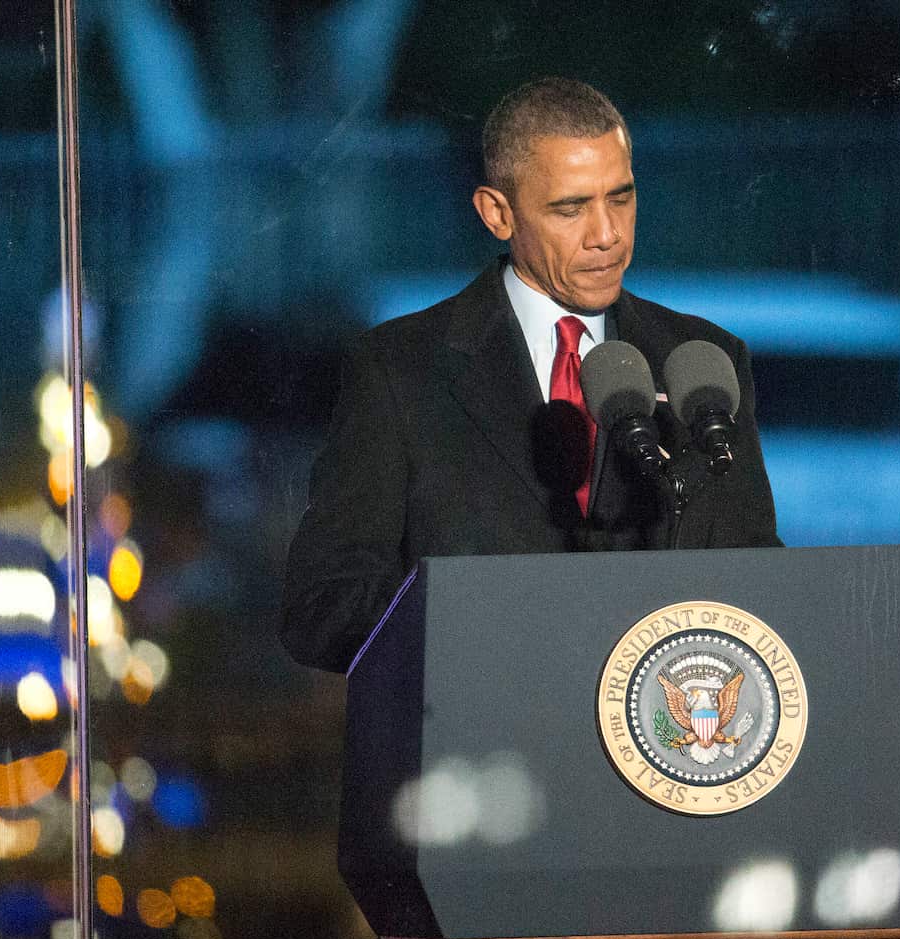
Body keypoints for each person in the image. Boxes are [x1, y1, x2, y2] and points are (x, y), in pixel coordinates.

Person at [280, 77, 780, 675]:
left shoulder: (705, 362)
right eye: (571, 208)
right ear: (497, 214)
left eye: (620, 198)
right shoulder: (398, 371)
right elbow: (321, 607)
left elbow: (762, 588)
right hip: (474, 747)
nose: (607, 235)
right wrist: (496, 619)